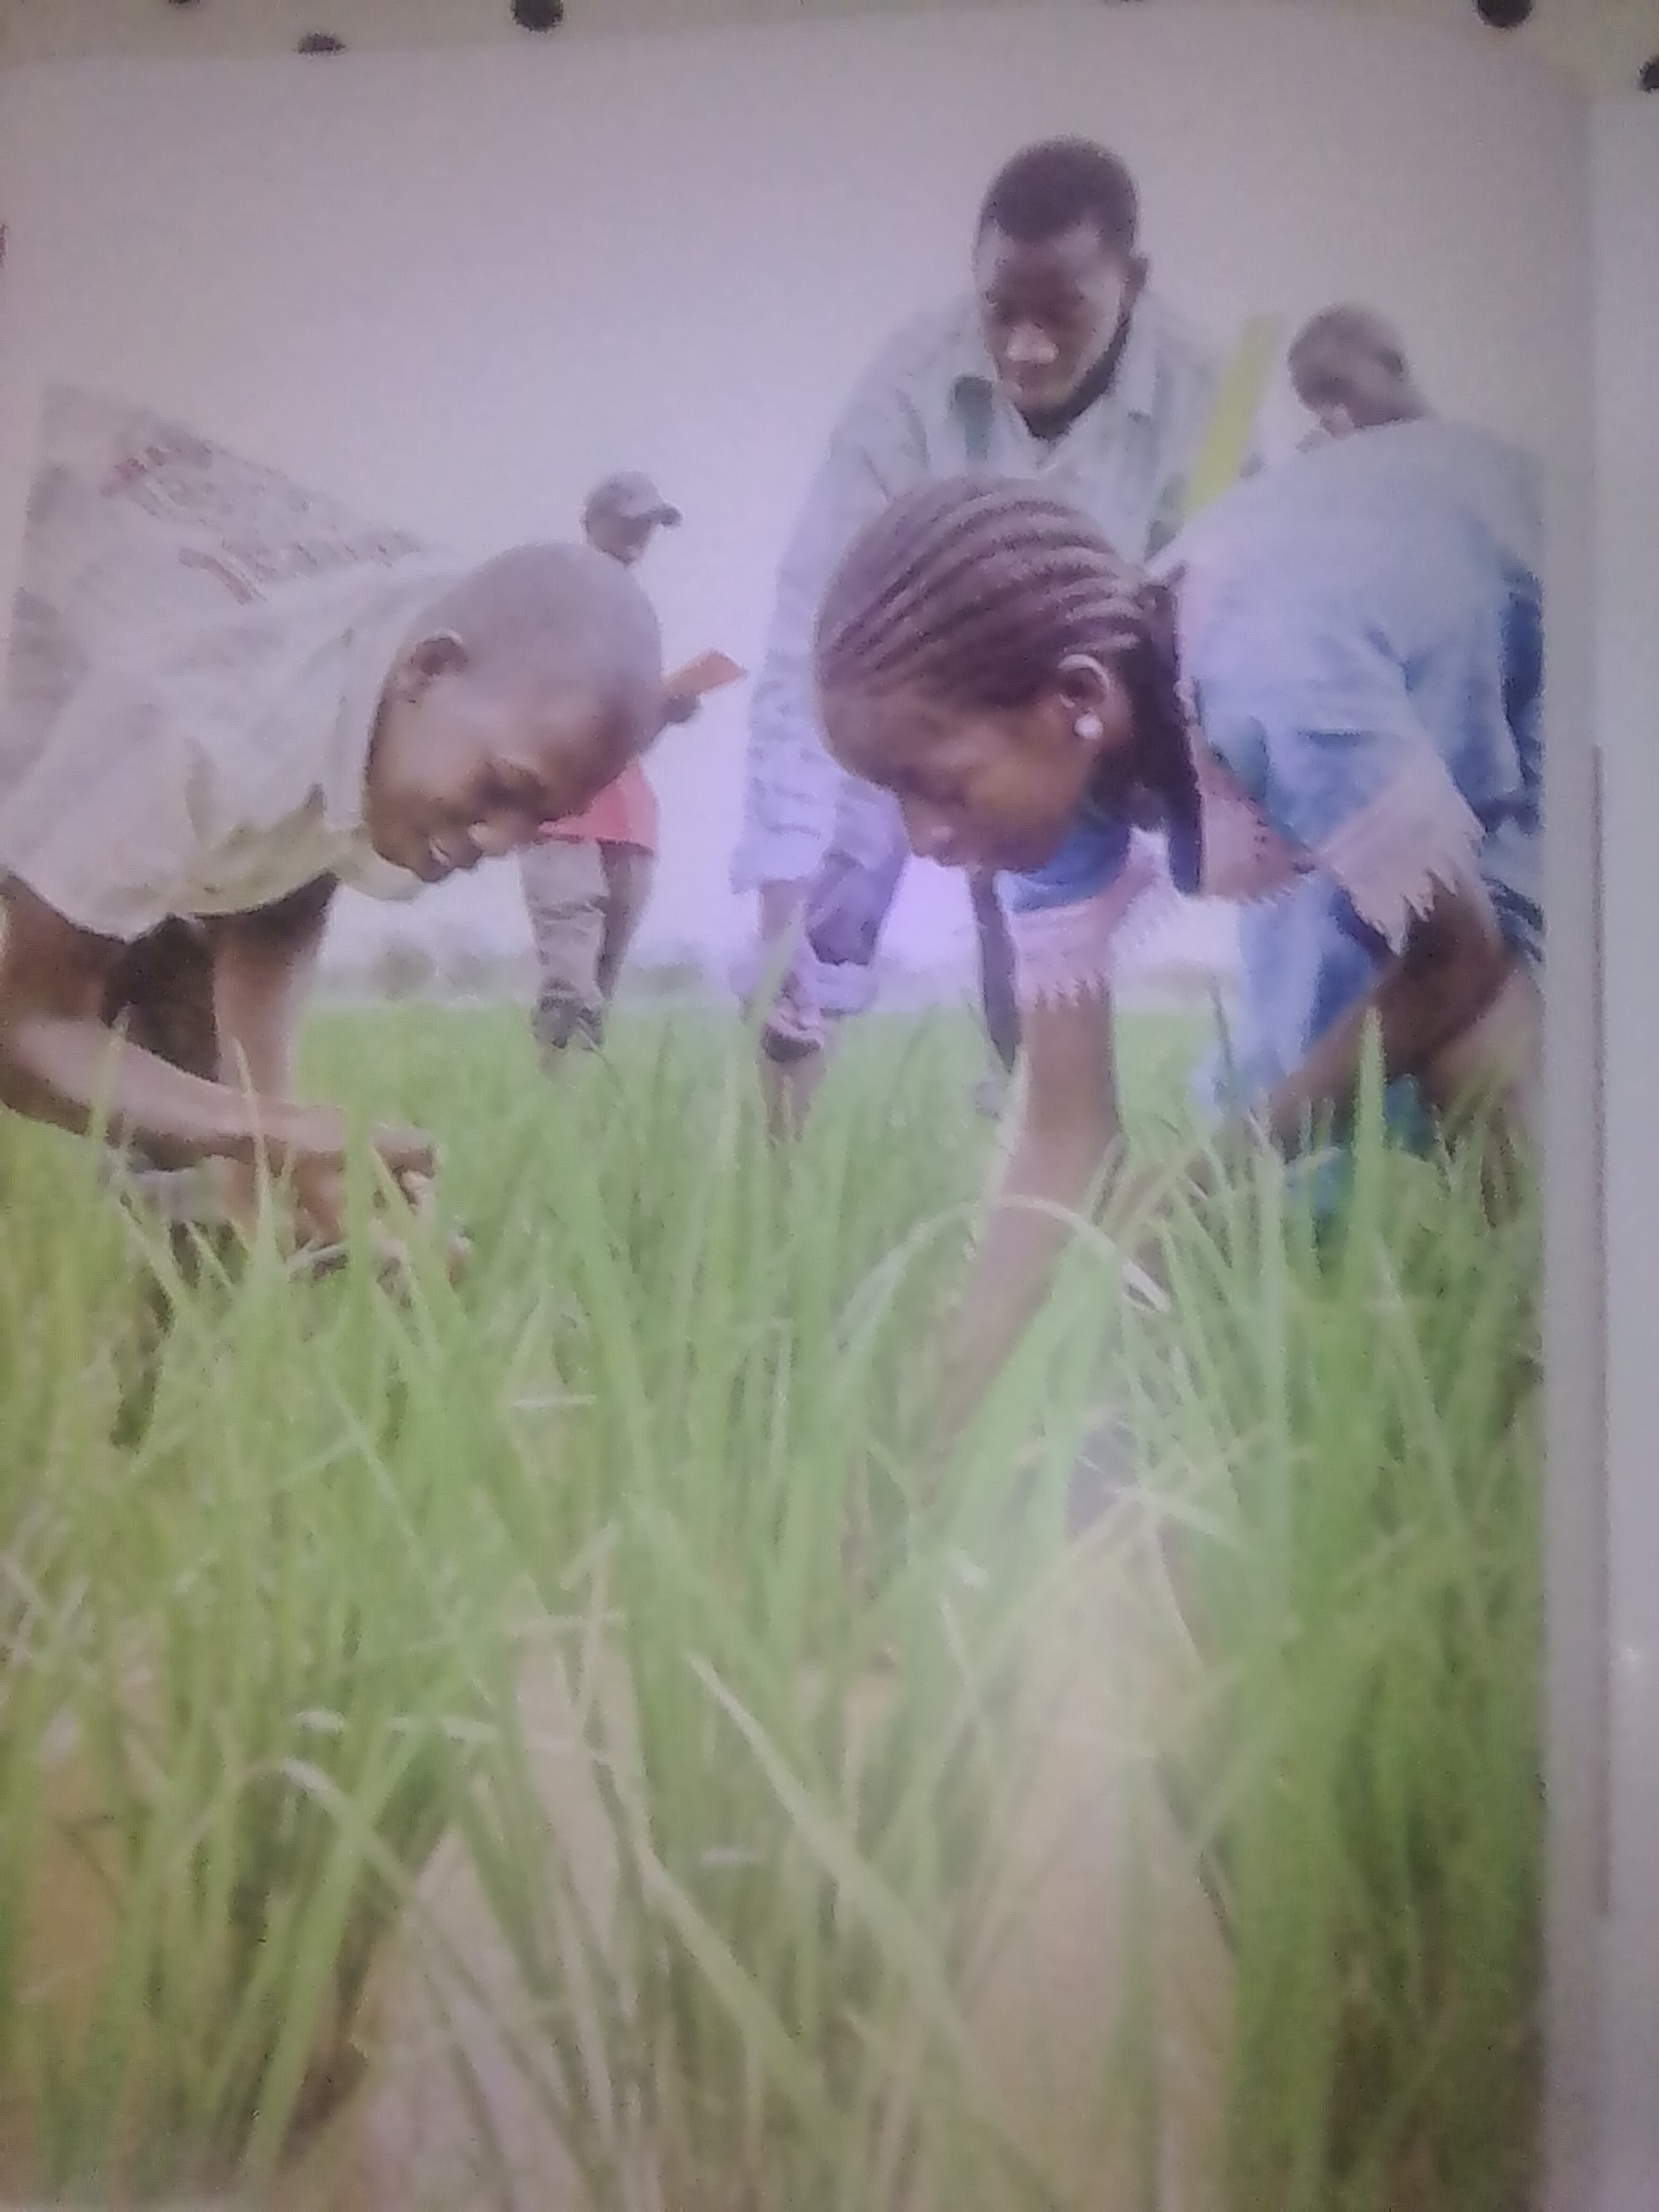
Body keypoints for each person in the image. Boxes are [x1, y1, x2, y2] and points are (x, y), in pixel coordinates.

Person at [811, 422, 1542, 1436]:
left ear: (1078, 700)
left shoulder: (1280, 686)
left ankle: (1549, 1422)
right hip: (1363, 694)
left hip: (1545, 639)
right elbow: (1063, 1132)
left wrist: (1206, 1175)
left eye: (936, 787)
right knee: (1319, 1095)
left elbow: (1456, 959)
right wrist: (939, 1440)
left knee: (1477, 1043)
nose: (923, 836)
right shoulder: (1057, 801)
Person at [0, 387, 669, 1255]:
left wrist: (273, 1152)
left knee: (192, 1091)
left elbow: (284, 881)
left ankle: (227, 1257)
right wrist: (275, 1134)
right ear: (429, 669)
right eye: (505, 788)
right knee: (130, 1047)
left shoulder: (422, 676)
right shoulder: (209, 722)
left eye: (539, 820)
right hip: (49, 619)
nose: (504, 843)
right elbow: (24, 1029)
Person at [731, 136, 1226, 1132]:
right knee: (825, 895)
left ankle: (1048, 1142)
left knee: (1033, 943)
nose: (1027, 349)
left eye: (1064, 314)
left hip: (1093, 713)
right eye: (1003, 312)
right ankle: (772, 1195)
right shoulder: (910, 385)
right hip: (919, 695)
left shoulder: (1211, 404)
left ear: (1132, 281)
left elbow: (1224, 638)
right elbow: (809, 634)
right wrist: (784, 875)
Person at [519, 471, 697, 1063]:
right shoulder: (551, 599)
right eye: (628, 522)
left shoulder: (637, 614)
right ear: (592, 524)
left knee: (600, 991)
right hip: (563, 803)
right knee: (569, 986)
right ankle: (550, 1109)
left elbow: (624, 733)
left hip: (625, 813)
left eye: (648, 525)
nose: (638, 536)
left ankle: (576, 1115)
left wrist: (662, 713)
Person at [1286, 303, 1430, 445]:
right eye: (1313, 404)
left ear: (1392, 365)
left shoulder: (1442, 451)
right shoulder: (1330, 453)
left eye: (1334, 389)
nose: (1326, 417)